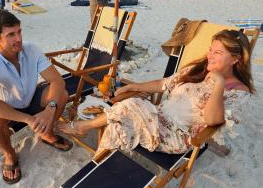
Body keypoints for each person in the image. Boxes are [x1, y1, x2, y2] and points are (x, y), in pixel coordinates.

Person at [58, 29, 254, 155]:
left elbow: (212, 121)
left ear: (236, 59)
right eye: (211, 50)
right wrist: (133, 86)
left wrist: (218, 84)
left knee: (129, 106)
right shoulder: (200, 69)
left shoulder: (238, 92)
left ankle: (85, 127)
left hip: (177, 136)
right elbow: (164, 84)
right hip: (156, 116)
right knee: (119, 123)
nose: (209, 56)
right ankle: (98, 164)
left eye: (218, 53)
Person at [0, 10, 72, 184]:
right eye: (11, 35)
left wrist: (51, 108)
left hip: (31, 97)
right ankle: (10, 154)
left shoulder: (31, 49)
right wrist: (27, 119)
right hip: (7, 108)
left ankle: (46, 133)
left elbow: (57, 81)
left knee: (61, 95)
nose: (18, 39)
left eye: (19, 31)